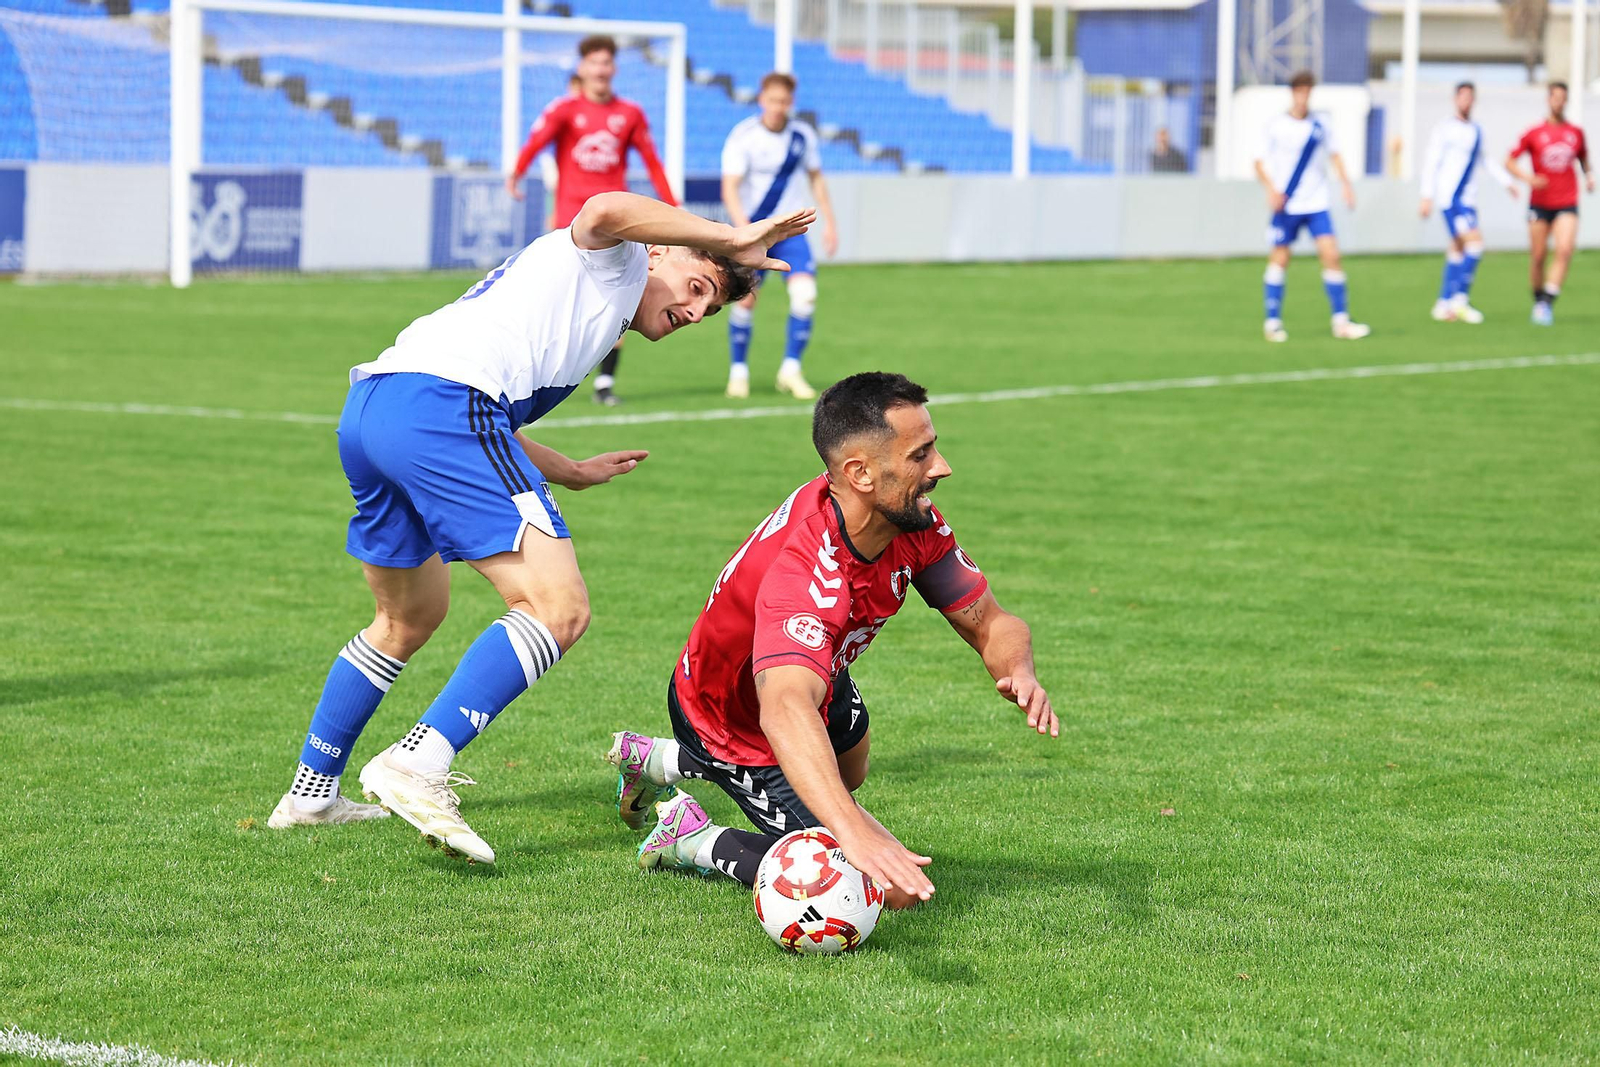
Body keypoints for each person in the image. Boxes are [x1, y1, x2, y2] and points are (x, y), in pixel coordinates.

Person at [266, 192, 816, 866]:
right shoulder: (615, 263)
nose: (696, 311)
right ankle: (418, 761)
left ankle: (310, 794)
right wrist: (734, 233)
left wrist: (570, 470)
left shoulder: (597, 298)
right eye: (698, 287)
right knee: (559, 606)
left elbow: (488, 414)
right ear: (659, 249)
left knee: (406, 618)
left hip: (377, 409)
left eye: (710, 309)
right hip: (440, 406)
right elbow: (605, 208)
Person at [604, 372, 1057, 907]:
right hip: (731, 716)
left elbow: (991, 622)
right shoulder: (806, 576)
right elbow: (785, 708)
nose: (942, 468)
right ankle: (693, 838)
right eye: (921, 456)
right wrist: (851, 831)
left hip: (817, 667)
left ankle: (659, 761)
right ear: (860, 473)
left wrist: (1018, 669)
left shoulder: (907, 523)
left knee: (851, 771)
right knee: (884, 889)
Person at [506, 35, 678, 405]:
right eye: (594, 62)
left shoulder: (629, 113)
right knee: (556, 296)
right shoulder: (565, 109)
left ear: (613, 68)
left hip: (618, 223)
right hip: (571, 221)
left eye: (606, 63)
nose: (601, 69)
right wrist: (516, 173)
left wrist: (672, 207)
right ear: (582, 68)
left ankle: (603, 383)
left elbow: (652, 160)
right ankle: (538, 370)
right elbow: (536, 142)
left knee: (617, 295)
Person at [720, 72, 839, 401]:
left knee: (806, 296)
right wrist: (743, 230)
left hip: (790, 231)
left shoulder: (802, 136)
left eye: (784, 102)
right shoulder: (744, 136)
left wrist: (830, 221)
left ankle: (790, 370)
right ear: (761, 99)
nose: (778, 107)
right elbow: (730, 187)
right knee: (745, 299)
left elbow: (817, 178)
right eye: (772, 100)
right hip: (754, 229)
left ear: (791, 103)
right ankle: (738, 372)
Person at [1253, 70, 1370, 343]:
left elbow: (1335, 154)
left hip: (1317, 202)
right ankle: (1272, 322)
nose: (1304, 97)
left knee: (1331, 255)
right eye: (1300, 91)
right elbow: (1258, 161)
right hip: (1288, 204)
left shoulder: (1321, 124)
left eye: (1308, 91)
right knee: (1280, 259)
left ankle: (1341, 321)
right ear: (1292, 93)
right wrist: (1271, 190)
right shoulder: (1276, 125)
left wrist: (1346, 185)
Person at [1420, 82, 1517, 324]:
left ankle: (1443, 303)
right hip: (1451, 199)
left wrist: (1507, 182)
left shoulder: (1477, 131)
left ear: (1474, 100)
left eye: (1470, 97)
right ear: (1455, 99)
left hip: (1468, 200)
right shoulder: (1444, 128)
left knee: (1457, 248)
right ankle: (1460, 300)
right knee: (1475, 245)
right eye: (1462, 97)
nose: (1466, 101)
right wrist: (1426, 195)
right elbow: (1432, 161)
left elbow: (1487, 161)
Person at [1505, 82, 1593, 325]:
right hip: (1540, 202)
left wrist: (1589, 176)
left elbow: (1584, 158)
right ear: (1548, 99)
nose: (1559, 102)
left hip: (1567, 200)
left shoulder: (1575, 133)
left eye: (1563, 98)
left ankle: (1547, 302)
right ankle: (1538, 298)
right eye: (1555, 97)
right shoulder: (1534, 133)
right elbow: (1509, 161)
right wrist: (1529, 178)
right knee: (1538, 256)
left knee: (1564, 250)